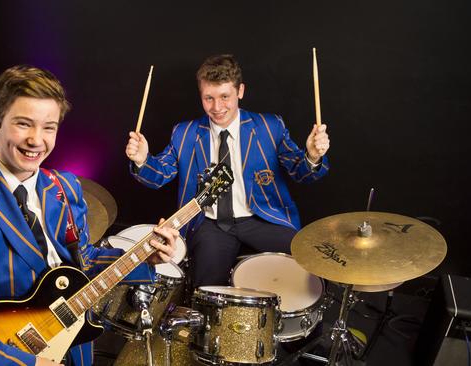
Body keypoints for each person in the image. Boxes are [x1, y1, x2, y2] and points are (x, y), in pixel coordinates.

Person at [0, 65, 178, 366]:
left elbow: (84, 262)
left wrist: (146, 256)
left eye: (49, 127)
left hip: (74, 347)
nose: (37, 140)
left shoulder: (66, 187)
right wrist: (22, 363)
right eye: (23, 124)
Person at [125, 54, 330, 288]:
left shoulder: (269, 126)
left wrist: (312, 156)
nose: (217, 107)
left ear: (240, 91)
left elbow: (300, 171)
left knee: (310, 267)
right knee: (205, 289)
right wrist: (142, 161)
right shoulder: (185, 133)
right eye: (208, 98)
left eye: (225, 97)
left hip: (262, 218)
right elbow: (159, 176)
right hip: (210, 223)